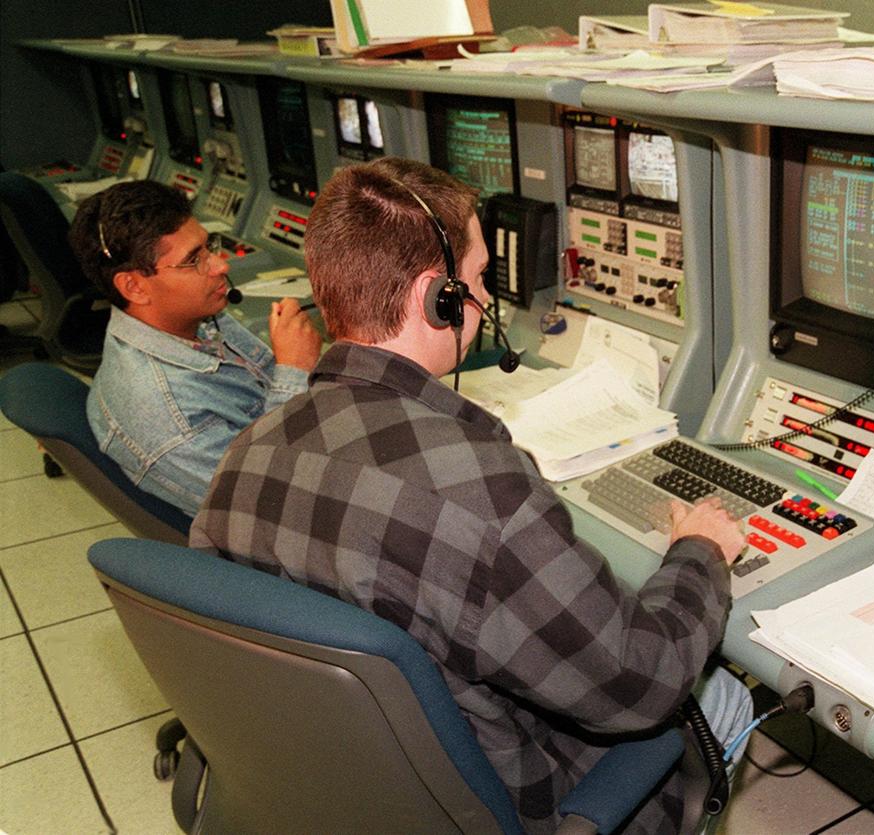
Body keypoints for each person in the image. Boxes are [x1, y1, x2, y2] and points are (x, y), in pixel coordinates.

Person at [189, 157, 752, 833]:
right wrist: (698, 553)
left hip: (333, 789)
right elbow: (641, 680)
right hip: (503, 800)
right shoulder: (482, 492)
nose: (483, 298)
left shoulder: (243, 454)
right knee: (723, 696)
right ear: (440, 298)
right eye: (480, 278)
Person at [67, 180, 322, 516]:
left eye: (208, 246)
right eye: (193, 260)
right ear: (134, 287)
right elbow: (271, 500)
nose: (220, 266)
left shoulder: (194, 321)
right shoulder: (165, 415)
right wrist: (295, 371)